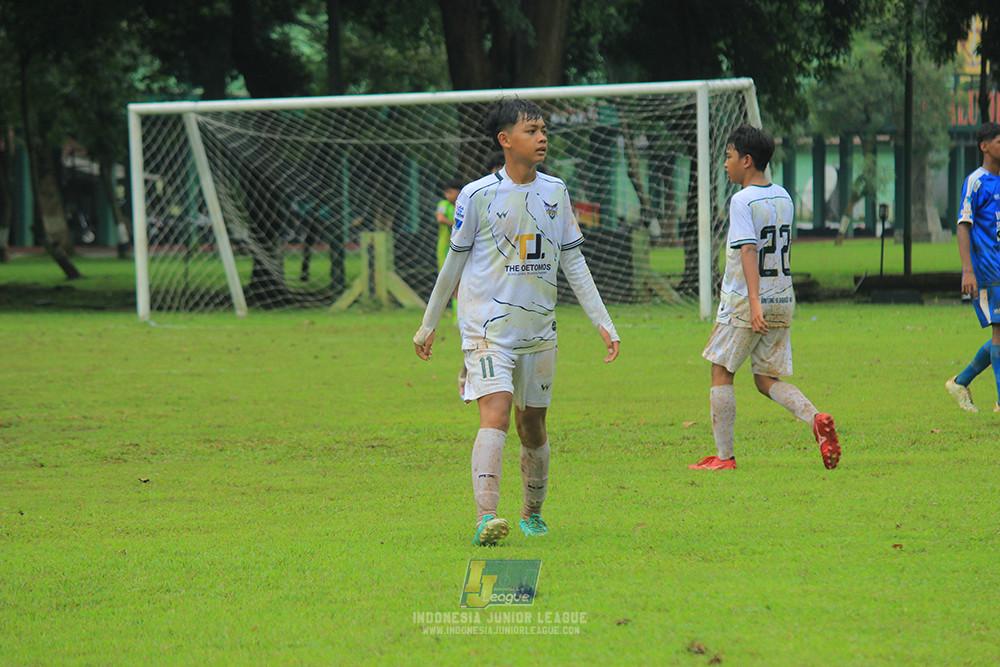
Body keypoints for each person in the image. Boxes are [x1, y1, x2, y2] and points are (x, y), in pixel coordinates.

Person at [413, 98, 620, 546]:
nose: (542, 137)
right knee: (498, 411)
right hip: (486, 328)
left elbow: (574, 262)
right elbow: (453, 263)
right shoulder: (476, 195)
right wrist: (429, 323)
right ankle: (486, 516)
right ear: (505, 140)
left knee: (533, 425)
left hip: (539, 331)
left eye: (543, 129)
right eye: (531, 130)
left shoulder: (556, 191)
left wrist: (603, 322)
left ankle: (532, 511)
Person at [689, 125, 840, 471]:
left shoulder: (741, 200)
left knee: (721, 372)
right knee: (765, 379)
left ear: (746, 160)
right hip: (783, 296)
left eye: (728, 157)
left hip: (747, 301)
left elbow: (748, 249)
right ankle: (816, 419)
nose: (725, 164)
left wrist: (754, 301)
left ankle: (724, 458)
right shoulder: (784, 196)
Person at [945, 122, 1000, 413]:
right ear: (985, 146)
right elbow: (963, 225)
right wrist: (968, 270)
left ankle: (961, 382)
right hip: (988, 272)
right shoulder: (976, 181)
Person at [457, 152, 508, 401]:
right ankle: (467, 375)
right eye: (496, 168)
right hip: (480, 293)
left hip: (509, 294)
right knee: (480, 338)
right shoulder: (476, 199)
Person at [435, 179, 463, 272]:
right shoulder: (443, 205)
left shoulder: (463, 206)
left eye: (450, 192)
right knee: (444, 272)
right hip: (445, 245)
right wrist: (455, 226)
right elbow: (440, 218)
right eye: (446, 192)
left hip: (461, 244)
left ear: (459, 192)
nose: (447, 195)